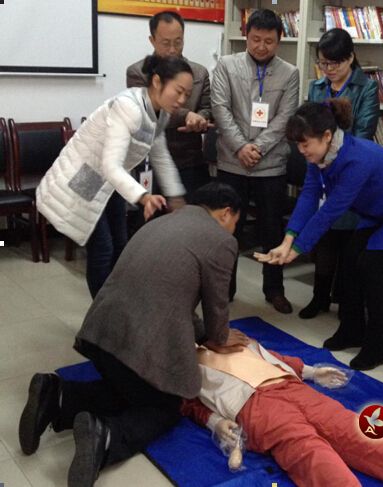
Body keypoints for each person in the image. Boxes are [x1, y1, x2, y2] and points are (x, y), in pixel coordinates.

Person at [19, 182, 250, 487]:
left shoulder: (161, 222)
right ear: (226, 213)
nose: (233, 230)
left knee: (130, 393)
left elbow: (170, 295)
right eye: (235, 223)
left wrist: (205, 333)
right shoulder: (221, 240)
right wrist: (219, 337)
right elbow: (216, 305)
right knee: (164, 408)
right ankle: (106, 438)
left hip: (100, 333)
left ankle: (59, 397)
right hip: (137, 345)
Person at [255, 100, 383, 370]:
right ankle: (352, 329)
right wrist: (287, 240)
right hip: (380, 209)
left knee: (369, 262)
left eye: (305, 144)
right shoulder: (319, 156)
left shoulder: (357, 159)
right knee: (350, 258)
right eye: (298, 144)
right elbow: (309, 196)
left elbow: (330, 211)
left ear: (327, 136)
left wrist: (296, 250)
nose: (301, 150)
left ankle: (379, 344)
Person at [181, 339, 383, 487]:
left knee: (356, 432)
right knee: (307, 449)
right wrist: (215, 421)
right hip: (252, 404)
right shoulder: (179, 361)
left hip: (290, 387)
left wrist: (311, 371)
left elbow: (275, 357)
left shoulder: (234, 335)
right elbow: (186, 402)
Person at [37, 54, 190, 298]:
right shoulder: (128, 107)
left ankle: (116, 305)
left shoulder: (160, 113)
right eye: (178, 91)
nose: (182, 100)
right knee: (103, 249)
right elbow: (110, 165)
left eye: (187, 94)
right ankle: (101, 315)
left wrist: (175, 195)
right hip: (85, 177)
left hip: (111, 181)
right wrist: (143, 197)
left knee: (120, 244)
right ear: (157, 82)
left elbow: (160, 155)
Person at [211, 8, 299, 314]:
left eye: (269, 41)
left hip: (271, 164)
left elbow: (285, 117)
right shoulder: (226, 65)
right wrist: (240, 147)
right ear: (246, 36)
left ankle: (274, 288)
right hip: (231, 161)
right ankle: (224, 289)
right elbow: (220, 108)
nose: (261, 46)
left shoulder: (290, 73)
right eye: (256, 39)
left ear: (280, 40)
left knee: (271, 230)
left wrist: (257, 148)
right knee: (226, 229)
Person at [300, 28, 380, 319]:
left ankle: (346, 303)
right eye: (323, 63)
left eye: (335, 63)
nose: (329, 69)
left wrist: (332, 154)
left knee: (346, 238)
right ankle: (319, 296)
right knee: (324, 235)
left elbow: (363, 133)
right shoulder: (317, 87)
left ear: (350, 58)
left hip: (350, 171)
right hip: (321, 169)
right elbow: (309, 126)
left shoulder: (366, 88)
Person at [127, 11, 212, 196]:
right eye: (166, 43)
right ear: (152, 40)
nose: (173, 50)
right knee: (152, 213)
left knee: (193, 212)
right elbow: (148, 112)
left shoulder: (199, 73)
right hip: (151, 162)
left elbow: (207, 108)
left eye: (178, 42)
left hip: (190, 160)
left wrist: (200, 119)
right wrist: (186, 115)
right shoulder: (138, 73)